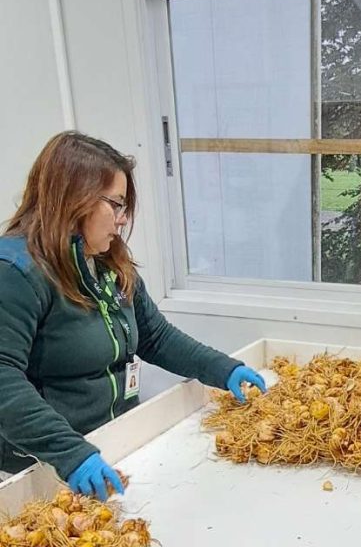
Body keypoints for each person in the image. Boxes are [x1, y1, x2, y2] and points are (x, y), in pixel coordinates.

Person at [0, 132, 267, 501]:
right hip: (43, 468)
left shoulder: (107, 260)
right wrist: (71, 455)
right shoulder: (16, 272)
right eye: (116, 204)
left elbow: (155, 336)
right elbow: (4, 380)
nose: (123, 220)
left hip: (111, 445)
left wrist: (223, 368)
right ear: (75, 200)